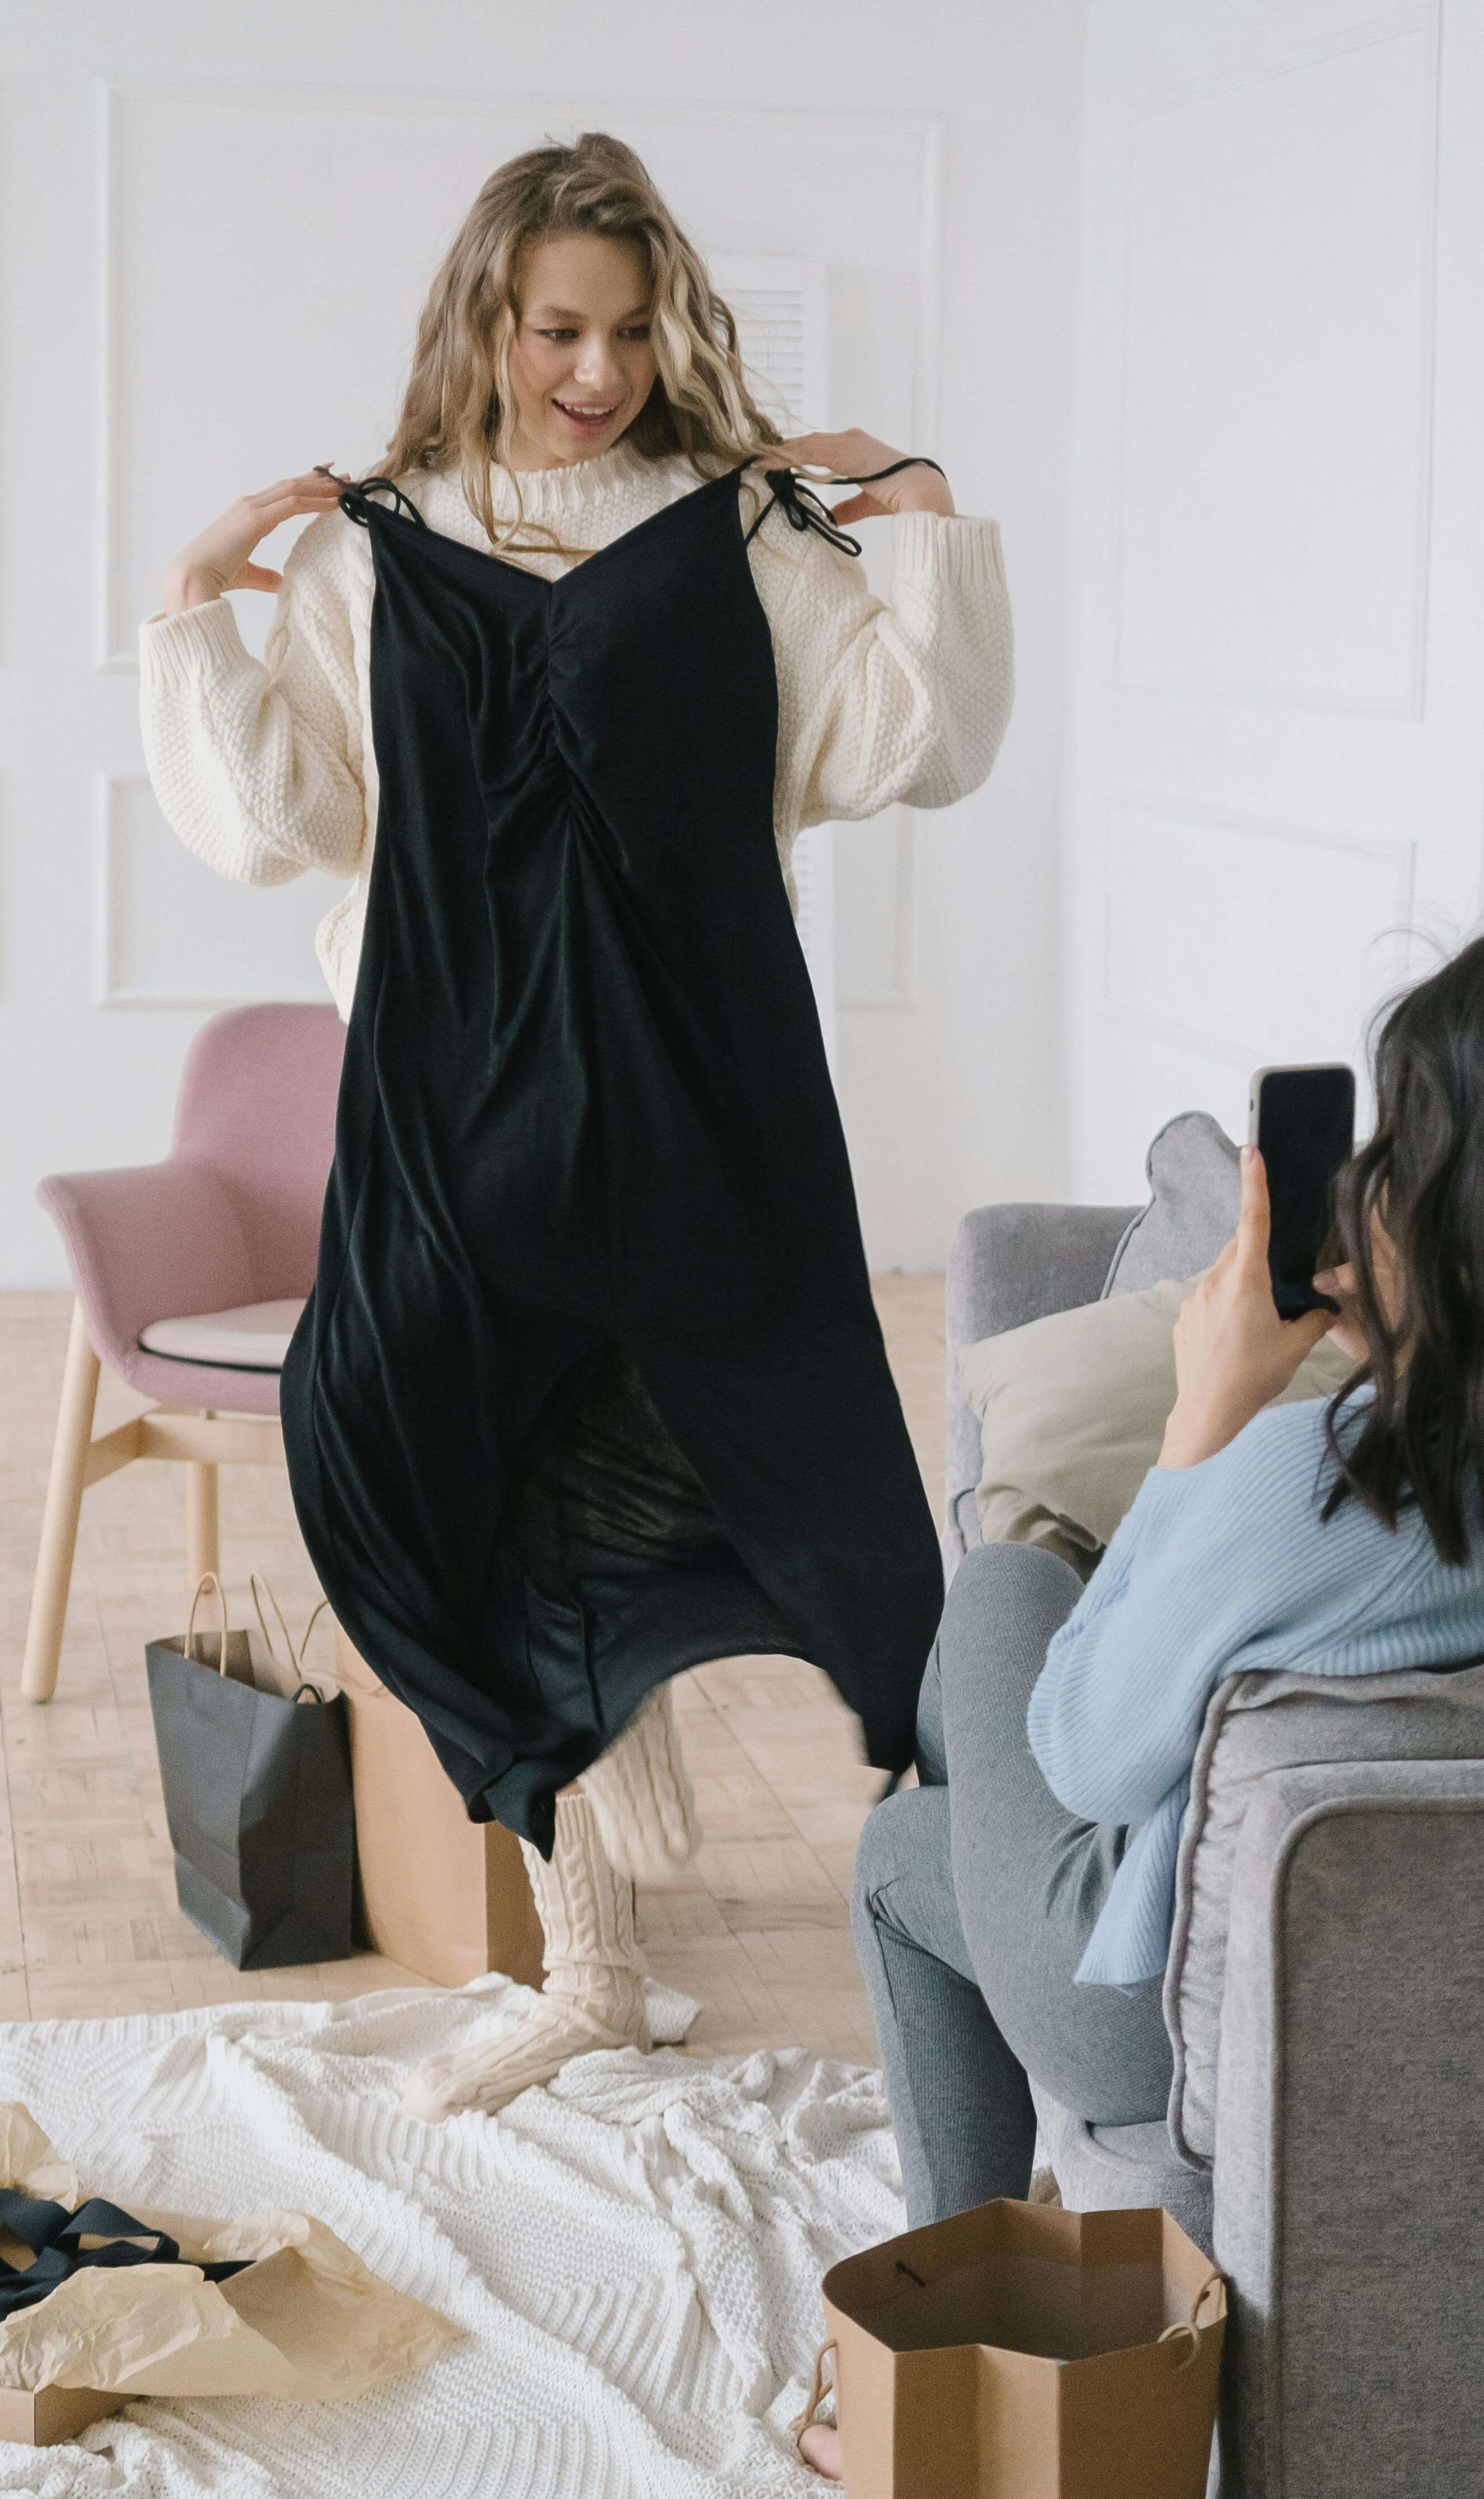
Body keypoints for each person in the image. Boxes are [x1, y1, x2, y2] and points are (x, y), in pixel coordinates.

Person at [143, 133, 1010, 2115]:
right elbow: (278, 817)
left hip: (704, 1097)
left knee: (821, 1496)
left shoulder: (742, 532)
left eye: (628, 331)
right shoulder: (374, 547)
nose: (595, 371)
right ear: (487, 318)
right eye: (557, 329)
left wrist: (929, 529)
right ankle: (592, 1962)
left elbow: (914, 745)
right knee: (427, 1461)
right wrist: (195, 604)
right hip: (451, 1103)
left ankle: (975, 1910)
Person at [848, 922, 1484, 2224]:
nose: (1372, 1183)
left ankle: (952, 2335)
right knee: (957, 1752)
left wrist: (1197, 1429)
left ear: (1467, 1212)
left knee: (974, 1655)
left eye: (1399, 1149)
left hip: (1164, 2013)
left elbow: (1085, 1749)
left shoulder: (1329, 1487)